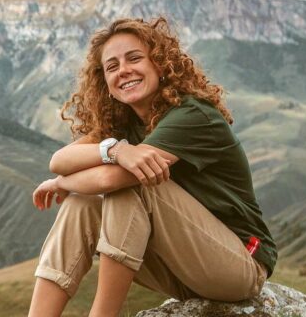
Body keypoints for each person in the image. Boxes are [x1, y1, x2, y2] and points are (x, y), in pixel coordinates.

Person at [27, 17, 277, 317]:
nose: (124, 71)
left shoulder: (193, 114)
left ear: (160, 64)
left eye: (134, 58)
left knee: (135, 186)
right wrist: (116, 149)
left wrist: (61, 183)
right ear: (104, 82)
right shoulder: (122, 125)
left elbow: (108, 179)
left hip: (239, 265)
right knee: (82, 204)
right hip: (182, 270)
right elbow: (59, 160)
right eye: (112, 66)